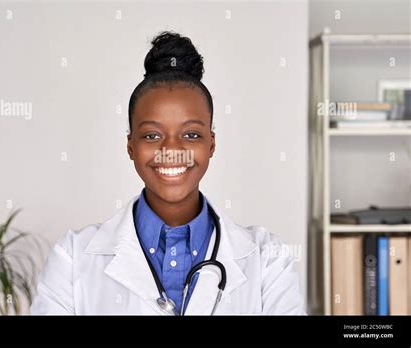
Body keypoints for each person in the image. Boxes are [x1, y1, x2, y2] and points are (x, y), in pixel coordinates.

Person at [30, 31, 306, 315]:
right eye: (151, 135)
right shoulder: (72, 257)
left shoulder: (267, 259)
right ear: (130, 146)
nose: (171, 149)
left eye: (190, 134)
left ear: (211, 144)